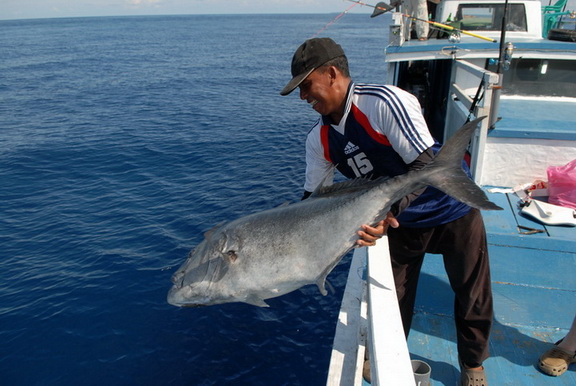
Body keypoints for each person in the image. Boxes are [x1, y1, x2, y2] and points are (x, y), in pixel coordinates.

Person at [280, 37, 493, 386]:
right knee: (394, 298)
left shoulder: (384, 103)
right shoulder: (317, 140)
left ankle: (473, 365)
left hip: (450, 207)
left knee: (472, 290)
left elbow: (426, 169)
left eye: (306, 86)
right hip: (399, 223)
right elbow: (311, 204)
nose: (304, 97)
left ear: (332, 73)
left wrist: (385, 213)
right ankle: (390, 357)